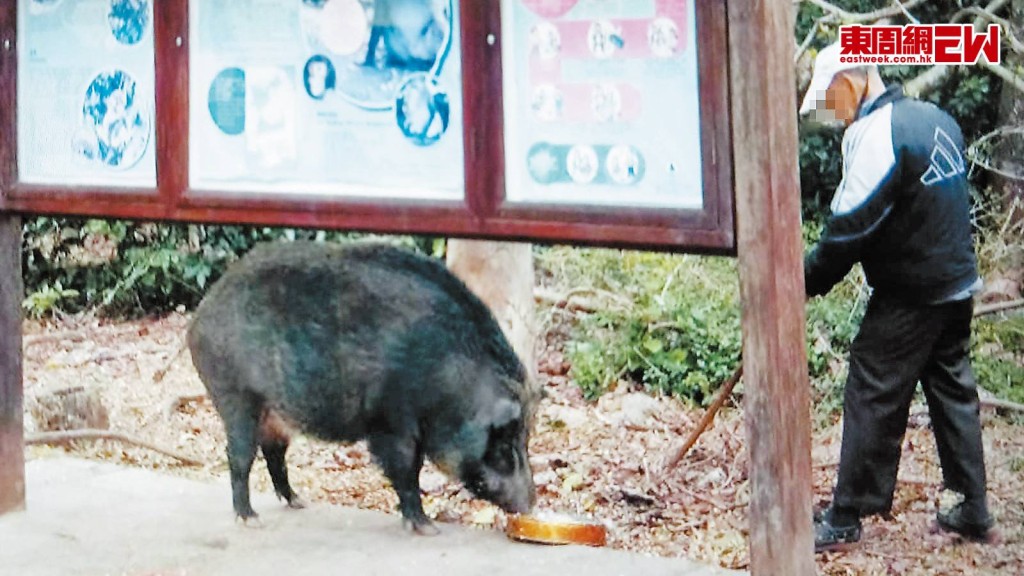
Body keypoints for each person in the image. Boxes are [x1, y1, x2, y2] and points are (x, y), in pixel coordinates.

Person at [798, 41, 994, 552]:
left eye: (832, 98)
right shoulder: (934, 117)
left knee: (872, 386)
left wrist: (802, 283)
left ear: (855, 79)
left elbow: (848, 228)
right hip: (955, 283)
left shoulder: (877, 134)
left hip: (913, 294)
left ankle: (844, 517)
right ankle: (973, 508)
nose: (833, 112)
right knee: (953, 390)